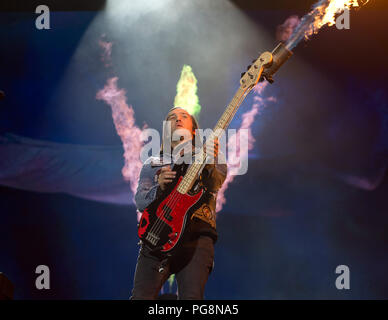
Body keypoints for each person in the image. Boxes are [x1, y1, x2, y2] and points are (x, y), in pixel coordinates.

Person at [130, 106, 227, 300]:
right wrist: (159, 187)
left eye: (184, 116)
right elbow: (140, 201)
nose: (178, 119)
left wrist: (207, 161)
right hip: (156, 238)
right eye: (172, 117)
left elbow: (215, 184)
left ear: (193, 128)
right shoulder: (152, 162)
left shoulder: (211, 154)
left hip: (196, 238)